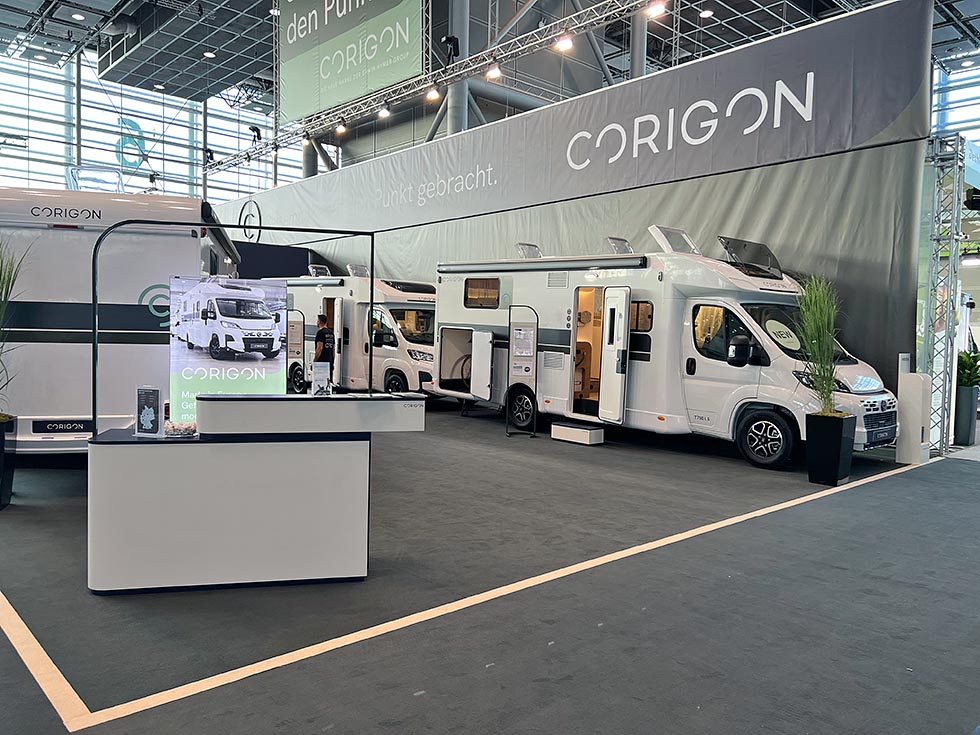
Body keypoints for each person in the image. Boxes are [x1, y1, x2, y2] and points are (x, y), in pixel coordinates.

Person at [314, 314, 336, 392]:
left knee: (320, 382)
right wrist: (332, 362)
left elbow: (319, 348)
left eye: (317, 320)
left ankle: (321, 396)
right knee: (328, 381)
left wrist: (315, 361)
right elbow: (333, 349)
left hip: (321, 362)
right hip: (329, 361)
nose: (317, 322)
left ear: (319, 322)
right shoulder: (331, 333)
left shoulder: (320, 333)